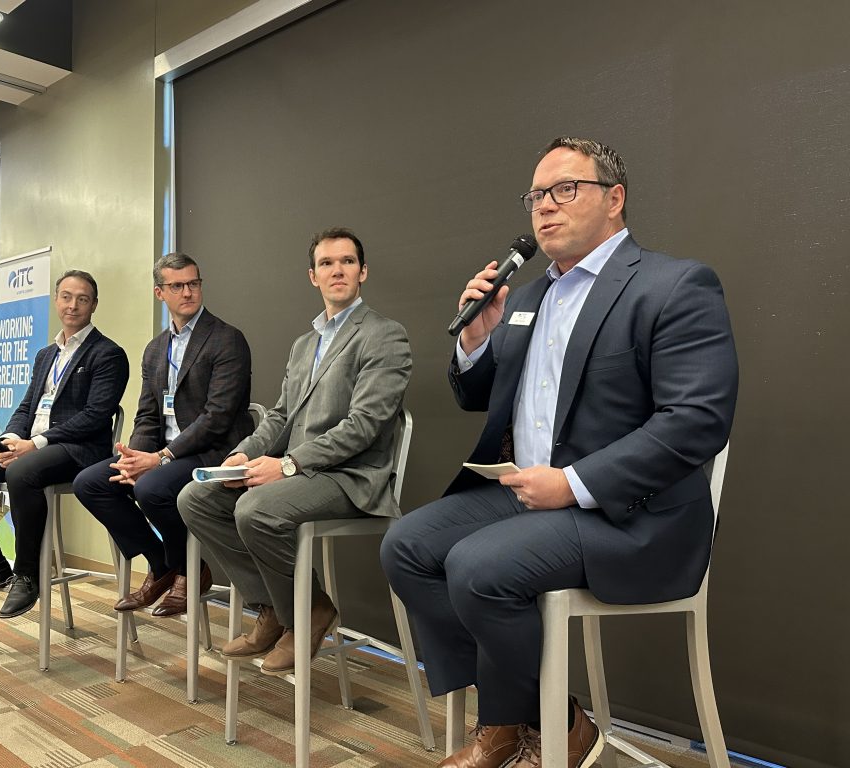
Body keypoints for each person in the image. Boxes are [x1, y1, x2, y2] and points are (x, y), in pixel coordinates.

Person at [381, 137, 738, 768]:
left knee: (477, 567)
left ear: (614, 200)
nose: (546, 207)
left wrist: (574, 483)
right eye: (537, 195)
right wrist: (477, 339)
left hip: (629, 515)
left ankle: (506, 724)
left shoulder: (673, 285)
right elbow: (477, 396)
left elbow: (696, 421)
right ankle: (549, 718)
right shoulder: (525, 298)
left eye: (566, 189)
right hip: (527, 497)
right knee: (405, 547)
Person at [177, 227, 412, 676]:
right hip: (302, 474)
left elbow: (364, 426)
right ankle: (274, 608)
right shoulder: (305, 344)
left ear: (362, 272)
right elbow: (281, 417)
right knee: (197, 499)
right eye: (326, 263)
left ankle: (310, 612)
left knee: (255, 510)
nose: (337, 270)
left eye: (346, 261)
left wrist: (288, 464)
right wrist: (243, 454)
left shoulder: (385, 335)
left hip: (353, 476)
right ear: (312, 276)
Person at [0, 270, 129, 619]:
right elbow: (27, 406)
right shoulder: (45, 355)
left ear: (94, 305)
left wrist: (35, 444)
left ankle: (27, 574)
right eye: (66, 296)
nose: (73, 305)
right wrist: (11, 439)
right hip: (30, 446)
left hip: (77, 450)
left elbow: (96, 416)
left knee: (22, 470)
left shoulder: (108, 354)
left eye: (82, 299)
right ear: (56, 300)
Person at [73, 253, 253, 616]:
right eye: (177, 286)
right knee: (91, 482)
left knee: (151, 487)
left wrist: (159, 459)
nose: (187, 292)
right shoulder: (155, 350)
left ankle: (190, 568)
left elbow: (217, 418)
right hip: (165, 455)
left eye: (193, 283)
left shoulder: (226, 339)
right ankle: (161, 564)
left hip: (213, 452)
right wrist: (134, 459)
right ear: (160, 293)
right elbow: (148, 416)